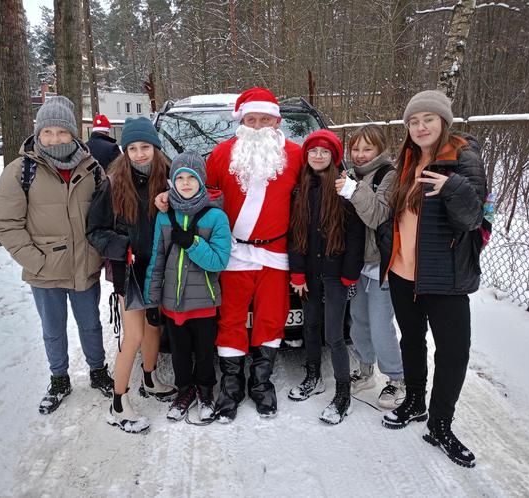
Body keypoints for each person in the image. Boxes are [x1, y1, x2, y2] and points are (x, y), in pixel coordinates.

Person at [157, 87, 304, 421]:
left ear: (277, 121)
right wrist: (170, 201)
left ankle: (262, 383)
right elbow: (198, 193)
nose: (257, 125)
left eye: (264, 119)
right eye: (251, 119)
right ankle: (232, 384)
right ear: (241, 121)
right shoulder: (224, 154)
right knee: (232, 319)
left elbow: (314, 195)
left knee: (271, 317)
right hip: (234, 252)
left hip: (276, 253)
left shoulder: (295, 155)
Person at [377, 90, 486, 468]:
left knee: (454, 353)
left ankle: (441, 423)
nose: (420, 127)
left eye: (428, 119)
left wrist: (453, 187)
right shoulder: (407, 160)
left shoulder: (463, 157)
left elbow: (475, 218)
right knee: (411, 341)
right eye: (413, 121)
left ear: (443, 122)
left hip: (446, 276)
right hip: (402, 272)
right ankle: (415, 401)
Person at [0, 95, 113, 415]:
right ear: (38, 134)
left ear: (74, 134)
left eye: (62, 132)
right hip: (45, 272)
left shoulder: (92, 168)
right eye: (48, 132)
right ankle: (59, 378)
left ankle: (99, 371)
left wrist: (99, 253)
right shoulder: (20, 171)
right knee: (53, 328)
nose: (55, 138)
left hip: (84, 267)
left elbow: (104, 215)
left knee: (90, 324)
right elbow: (5, 223)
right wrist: (36, 261)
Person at [87, 117, 177, 433]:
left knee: (154, 328)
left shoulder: (169, 179)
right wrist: (121, 244)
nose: (140, 154)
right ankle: (118, 402)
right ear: (125, 151)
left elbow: (196, 207)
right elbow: (95, 230)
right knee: (135, 335)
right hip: (130, 271)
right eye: (133, 148)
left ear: (155, 147)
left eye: (145, 147)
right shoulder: (112, 184)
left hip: (161, 268)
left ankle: (150, 379)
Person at [144, 151, 231, 423]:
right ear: (172, 182)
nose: (184, 183)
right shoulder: (164, 216)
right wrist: (152, 301)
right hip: (173, 304)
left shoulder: (215, 217)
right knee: (180, 355)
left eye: (190, 178)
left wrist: (192, 244)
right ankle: (185, 391)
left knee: (204, 354)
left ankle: (205, 392)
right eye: (179, 177)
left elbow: (219, 261)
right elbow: (156, 260)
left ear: (201, 181)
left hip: (203, 302)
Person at [287, 130, 365, 424]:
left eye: (325, 151)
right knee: (310, 326)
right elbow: (295, 236)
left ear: (334, 156)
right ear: (306, 156)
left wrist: (348, 275)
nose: (318, 156)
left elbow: (355, 237)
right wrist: (297, 272)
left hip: (335, 275)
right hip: (308, 273)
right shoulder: (300, 190)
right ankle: (313, 376)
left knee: (333, 334)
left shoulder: (345, 189)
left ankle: (343, 393)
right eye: (313, 151)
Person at [335, 124, 405, 409]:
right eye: (355, 149)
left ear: (380, 149)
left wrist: (353, 190)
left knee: (380, 325)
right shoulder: (350, 175)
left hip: (381, 265)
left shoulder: (389, 176)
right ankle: (365, 372)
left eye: (368, 149)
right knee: (359, 322)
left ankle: (397, 379)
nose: (360, 155)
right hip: (357, 264)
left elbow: (377, 216)